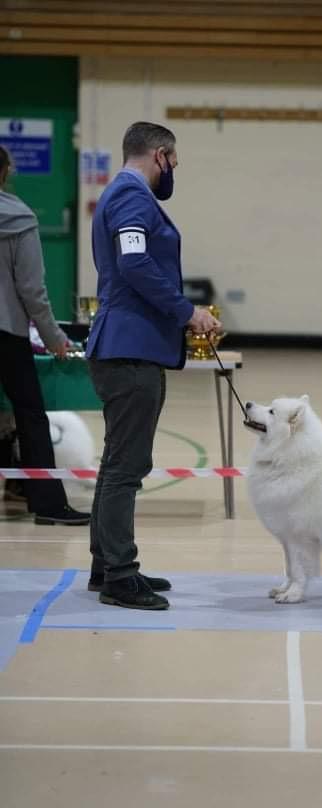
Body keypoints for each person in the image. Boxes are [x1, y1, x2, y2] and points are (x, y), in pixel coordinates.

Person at [86, 121, 220, 610]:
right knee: (126, 468)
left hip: (126, 346)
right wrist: (189, 311)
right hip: (130, 351)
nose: (174, 172)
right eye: (174, 162)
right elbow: (135, 265)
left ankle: (106, 564)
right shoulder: (133, 198)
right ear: (159, 154)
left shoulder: (121, 195)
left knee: (115, 465)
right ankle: (121, 576)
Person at [0, 145, 90, 525]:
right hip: (6, 334)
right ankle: (47, 504)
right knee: (31, 416)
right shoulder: (19, 218)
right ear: (5, 172)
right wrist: (55, 339)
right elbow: (33, 293)